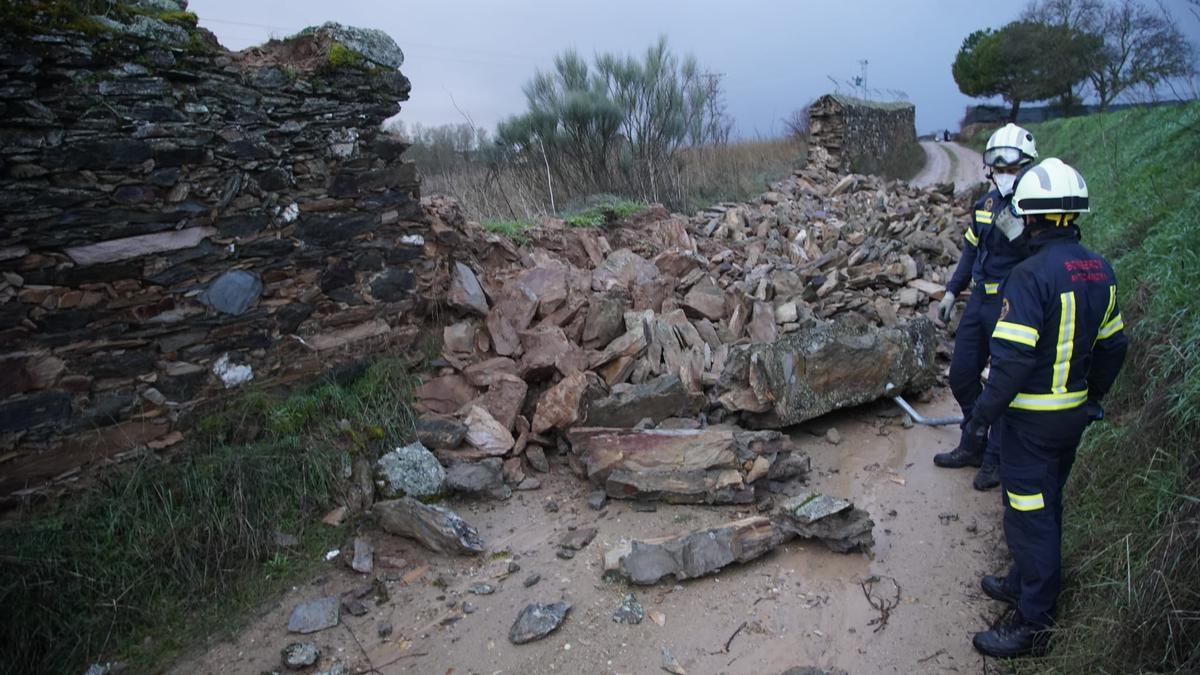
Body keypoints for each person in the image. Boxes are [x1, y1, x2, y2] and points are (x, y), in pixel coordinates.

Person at [960, 158, 1128, 658]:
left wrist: (981, 418)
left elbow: (1009, 365)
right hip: (1072, 418)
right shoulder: (1101, 267)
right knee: (1047, 503)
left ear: (1030, 218)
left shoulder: (1030, 276)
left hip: (1031, 424)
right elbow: (1114, 348)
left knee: (1027, 517)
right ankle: (1020, 581)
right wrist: (1092, 396)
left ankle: (1035, 626)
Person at [934, 123, 1039, 491]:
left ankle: (994, 458)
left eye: (1013, 169)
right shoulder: (985, 205)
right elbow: (970, 251)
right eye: (1001, 169)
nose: (1006, 176)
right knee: (961, 375)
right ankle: (974, 440)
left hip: (1011, 305)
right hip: (979, 301)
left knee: (1001, 384)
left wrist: (1021, 230)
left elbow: (1041, 258)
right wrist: (951, 292)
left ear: (1026, 168)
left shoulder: (1036, 210)